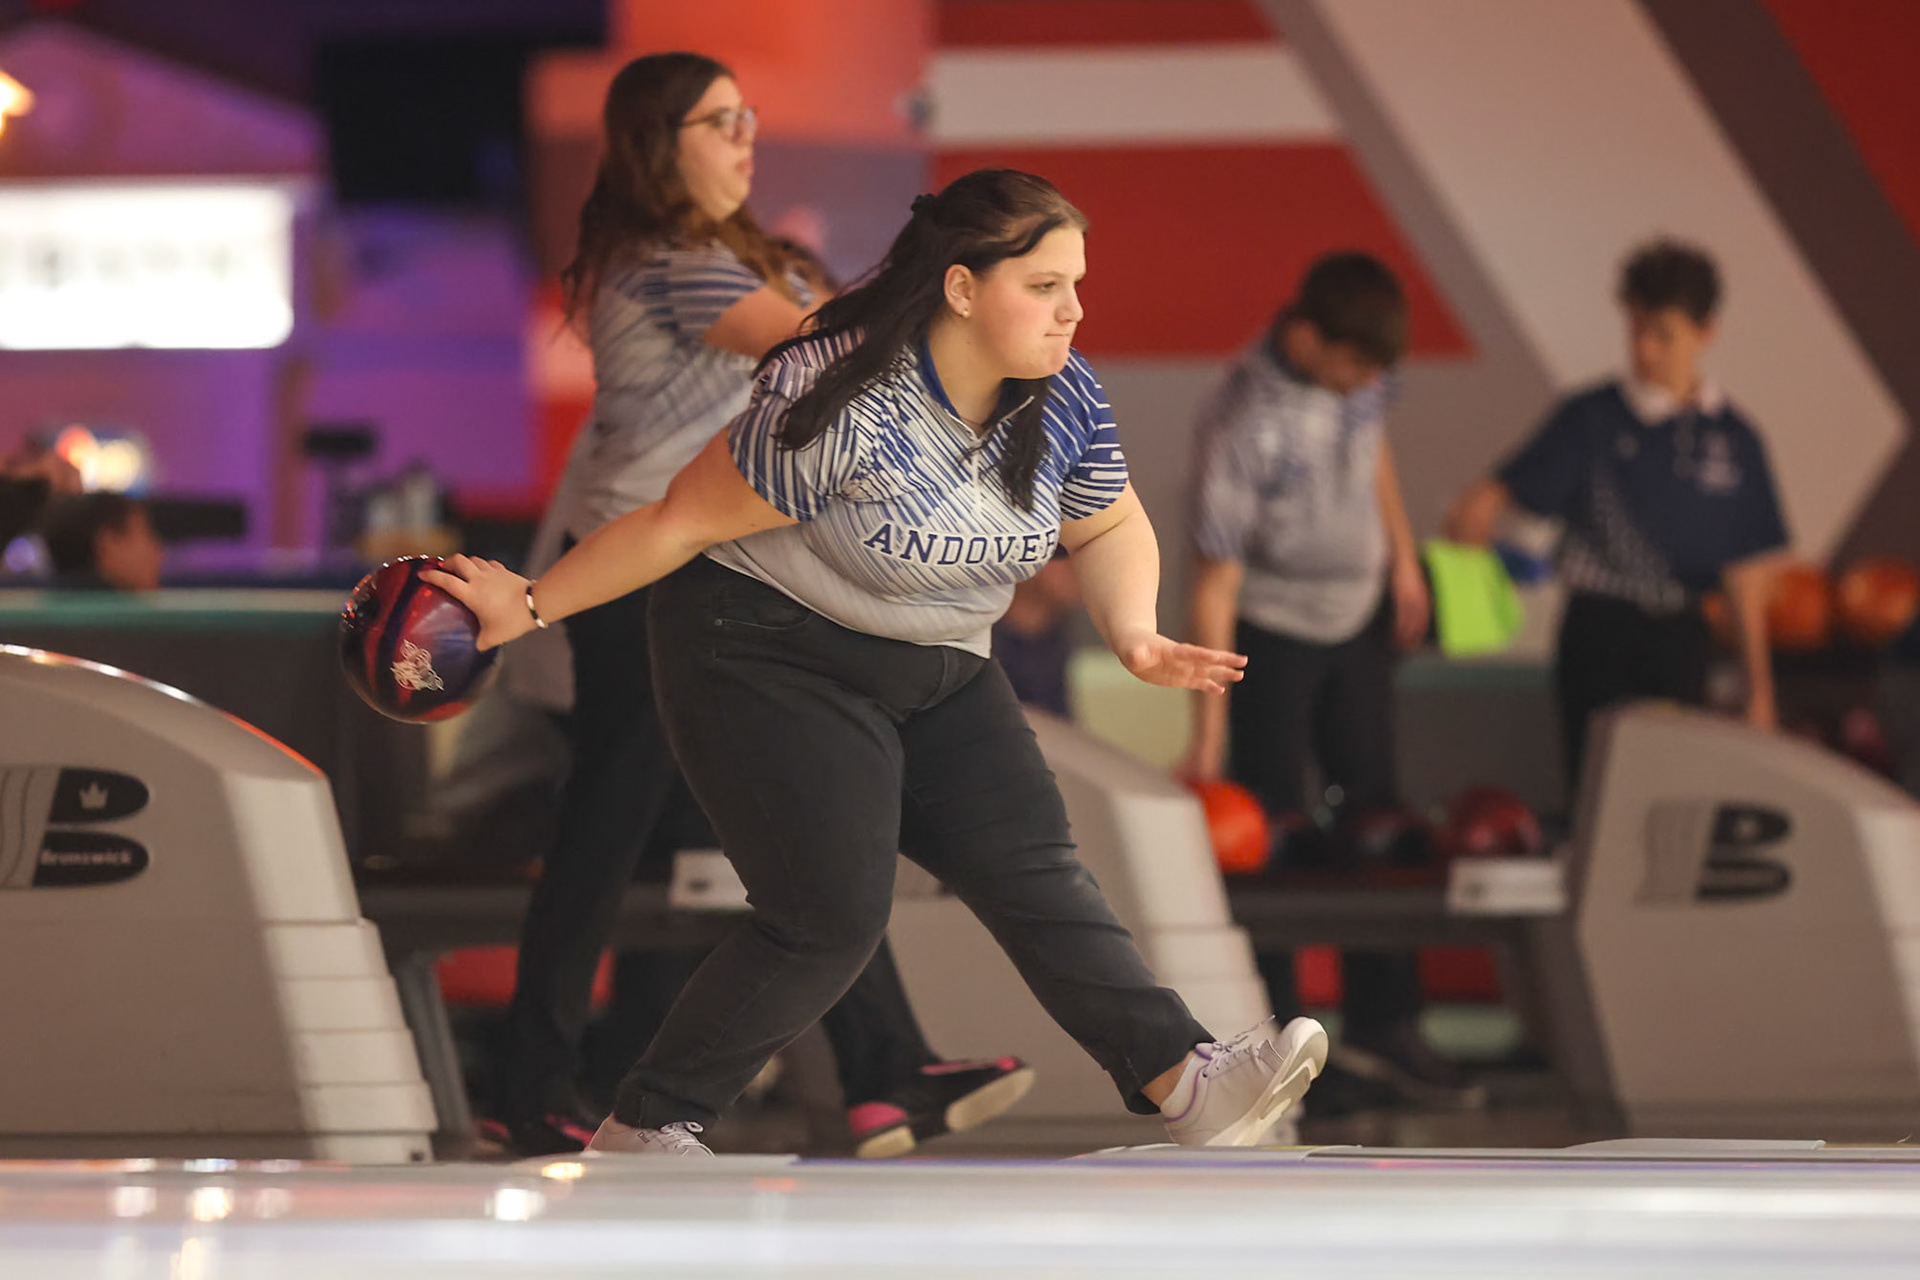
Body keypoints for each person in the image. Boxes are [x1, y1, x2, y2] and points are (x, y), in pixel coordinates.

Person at [427, 167, 1329, 1157]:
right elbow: (677, 523)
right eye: (1044, 285)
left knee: (1034, 867)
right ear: (962, 288)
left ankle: (1183, 1081)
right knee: (828, 914)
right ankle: (647, 1125)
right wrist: (528, 603)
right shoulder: (842, 397)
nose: (1073, 309)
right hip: (764, 647)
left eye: (1076, 283)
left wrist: (1135, 634)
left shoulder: (1064, 393)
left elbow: (1108, 522)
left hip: (936, 658)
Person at [496, 52, 1030, 1159]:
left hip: (714, 575)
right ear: (660, 142)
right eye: (720, 121)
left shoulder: (735, 258)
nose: (746, 138)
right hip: (635, 575)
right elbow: (827, 340)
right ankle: (534, 1085)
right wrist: (958, 283)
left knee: (799, 830)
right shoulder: (666, 262)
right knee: (609, 830)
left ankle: (881, 1074)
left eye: (747, 118)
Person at [1181, 252, 1481, 1111]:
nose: (1363, 383)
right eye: (1352, 366)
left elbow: (1373, 445)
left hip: (1359, 624)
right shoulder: (1242, 418)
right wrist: (1207, 735)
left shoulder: (1361, 377)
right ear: (1308, 338)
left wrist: (1402, 559)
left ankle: (1388, 1027)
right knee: (1273, 832)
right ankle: (1283, 1045)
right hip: (1272, 633)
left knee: (1376, 821)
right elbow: (1215, 577)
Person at [1445, 239, 1788, 790]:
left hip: (1683, 634)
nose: (1645, 350)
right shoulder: (1591, 418)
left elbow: (1745, 575)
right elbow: (1490, 501)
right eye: (1636, 330)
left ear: (1705, 332)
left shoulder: (1736, 437)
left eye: (1664, 335)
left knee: (1676, 791)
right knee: (1598, 787)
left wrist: (1760, 689)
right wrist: (1474, 556)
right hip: (1600, 631)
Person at [41, 491, 165, 591]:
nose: (158, 548)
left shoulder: (40, 605)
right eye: (147, 535)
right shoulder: (125, 613)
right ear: (107, 543)